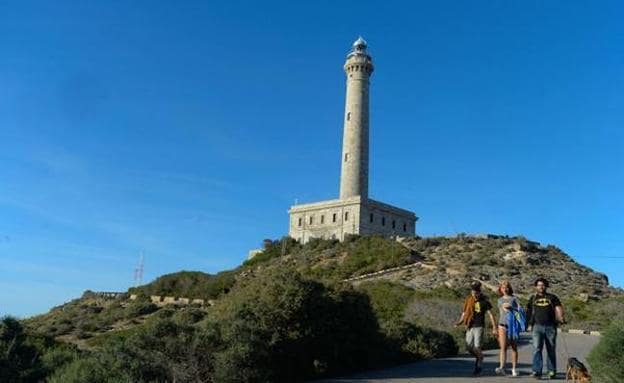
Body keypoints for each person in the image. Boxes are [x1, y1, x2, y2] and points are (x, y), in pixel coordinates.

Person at [455, 281, 497, 376]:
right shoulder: (468, 300)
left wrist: (494, 327)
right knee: (469, 346)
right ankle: (480, 357)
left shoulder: (484, 301)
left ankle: (478, 365)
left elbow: (490, 314)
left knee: (477, 346)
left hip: (479, 326)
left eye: (476, 291)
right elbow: (464, 313)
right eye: (473, 290)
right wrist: (460, 322)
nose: (474, 292)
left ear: (479, 291)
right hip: (470, 326)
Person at [526, 277, 565, 379]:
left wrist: (561, 317)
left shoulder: (552, 297)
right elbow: (529, 311)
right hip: (537, 327)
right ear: (536, 287)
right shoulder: (533, 298)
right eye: (539, 285)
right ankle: (537, 371)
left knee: (551, 349)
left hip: (550, 327)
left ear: (546, 286)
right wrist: (528, 324)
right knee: (537, 349)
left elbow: (558, 307)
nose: (541, 287)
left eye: (543, 285)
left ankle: (551, 371)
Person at [495, 280, 520, 377]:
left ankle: (514, 369)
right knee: (503, 347)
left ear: (509, 288)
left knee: (514, 347)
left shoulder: (514, 299)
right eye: (503, 287)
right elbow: (501, 312)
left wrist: (512, 308)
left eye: (506, 287)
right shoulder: (499, 300)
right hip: (502, 325)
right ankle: (502, 367)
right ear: (500, 289)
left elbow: (520, 310)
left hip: (512, 325)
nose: (505, 289)